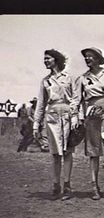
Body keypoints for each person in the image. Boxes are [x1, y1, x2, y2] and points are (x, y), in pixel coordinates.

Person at [33, 49, 77, 201]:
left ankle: (67, 185)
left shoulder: (69, 78)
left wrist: (75, 117)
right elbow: (41, 103)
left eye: (48, 58)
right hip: (51, 117)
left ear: (56, 60)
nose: (45, 61)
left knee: (67, 152)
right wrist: (36, 124)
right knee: (55, 153)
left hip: (67, 116)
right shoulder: (45, 81)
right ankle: (56, 184)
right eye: (44, 59)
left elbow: (75, 99)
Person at [73, 47, 104, 200]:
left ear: (98, 58)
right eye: (86, 57)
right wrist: (79, 117)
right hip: (92, 116)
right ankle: (94, 185)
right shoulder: (83, 78)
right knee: (93, 151)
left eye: (91, 56)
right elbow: (77, 100)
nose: (88, 59)